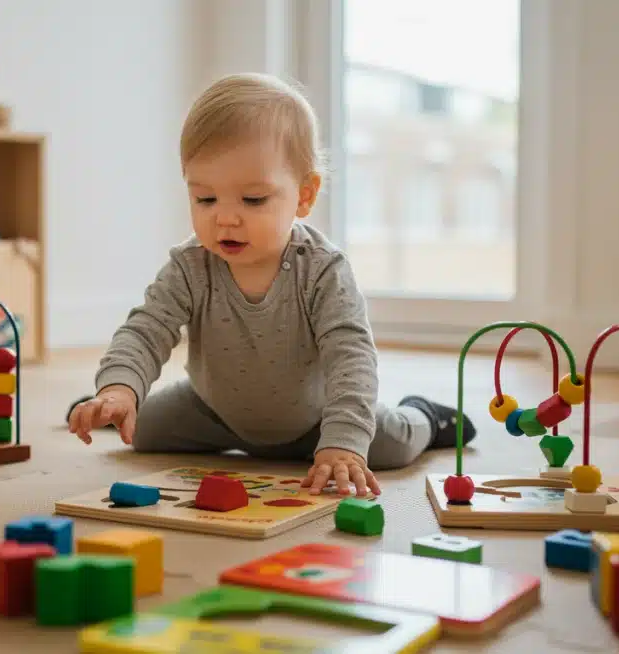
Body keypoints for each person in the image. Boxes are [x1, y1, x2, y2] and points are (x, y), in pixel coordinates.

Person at [66, 72, 476, 497]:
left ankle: (425, 416)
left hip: (316, 420)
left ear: (304, 195)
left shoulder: (322, 270)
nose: (225, 217)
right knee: (144, 431)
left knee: (388, 445)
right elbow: (146, 329)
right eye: (205, 198)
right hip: (212, 412)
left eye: (253, 199)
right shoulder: (189, 266)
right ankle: (112, 404)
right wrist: (119, 387)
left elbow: (350, 358)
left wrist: (341, 443)